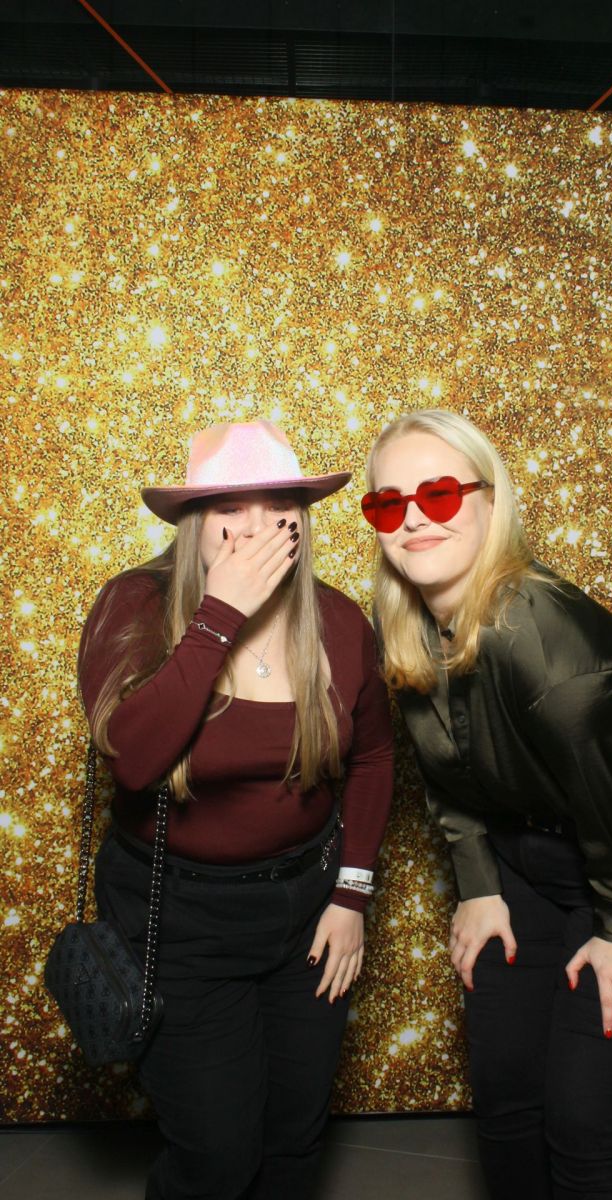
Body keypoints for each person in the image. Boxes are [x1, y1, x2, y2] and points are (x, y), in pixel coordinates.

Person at [361, 408, 612, 1200]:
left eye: (439, 494)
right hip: (521, 853)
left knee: (582, 1118)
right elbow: (447, 772)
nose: (413, 518)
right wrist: (479, 886)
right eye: (387, 504)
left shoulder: (541, 633)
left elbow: (606, 799)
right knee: (506, 1095)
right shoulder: (405, 623)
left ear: (491, 501)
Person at [79, 418, 394, 1200]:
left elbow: (374, 758)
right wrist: (217, 616)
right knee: (217, 1158)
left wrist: (351, 893)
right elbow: (133, 759)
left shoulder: (338, 621)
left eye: (279, 505)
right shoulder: (135, 606)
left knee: (293, 1136)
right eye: (229, 508)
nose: (256, 527)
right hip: (179, 920)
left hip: (306, 910)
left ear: (302, 521)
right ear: (194, 523)